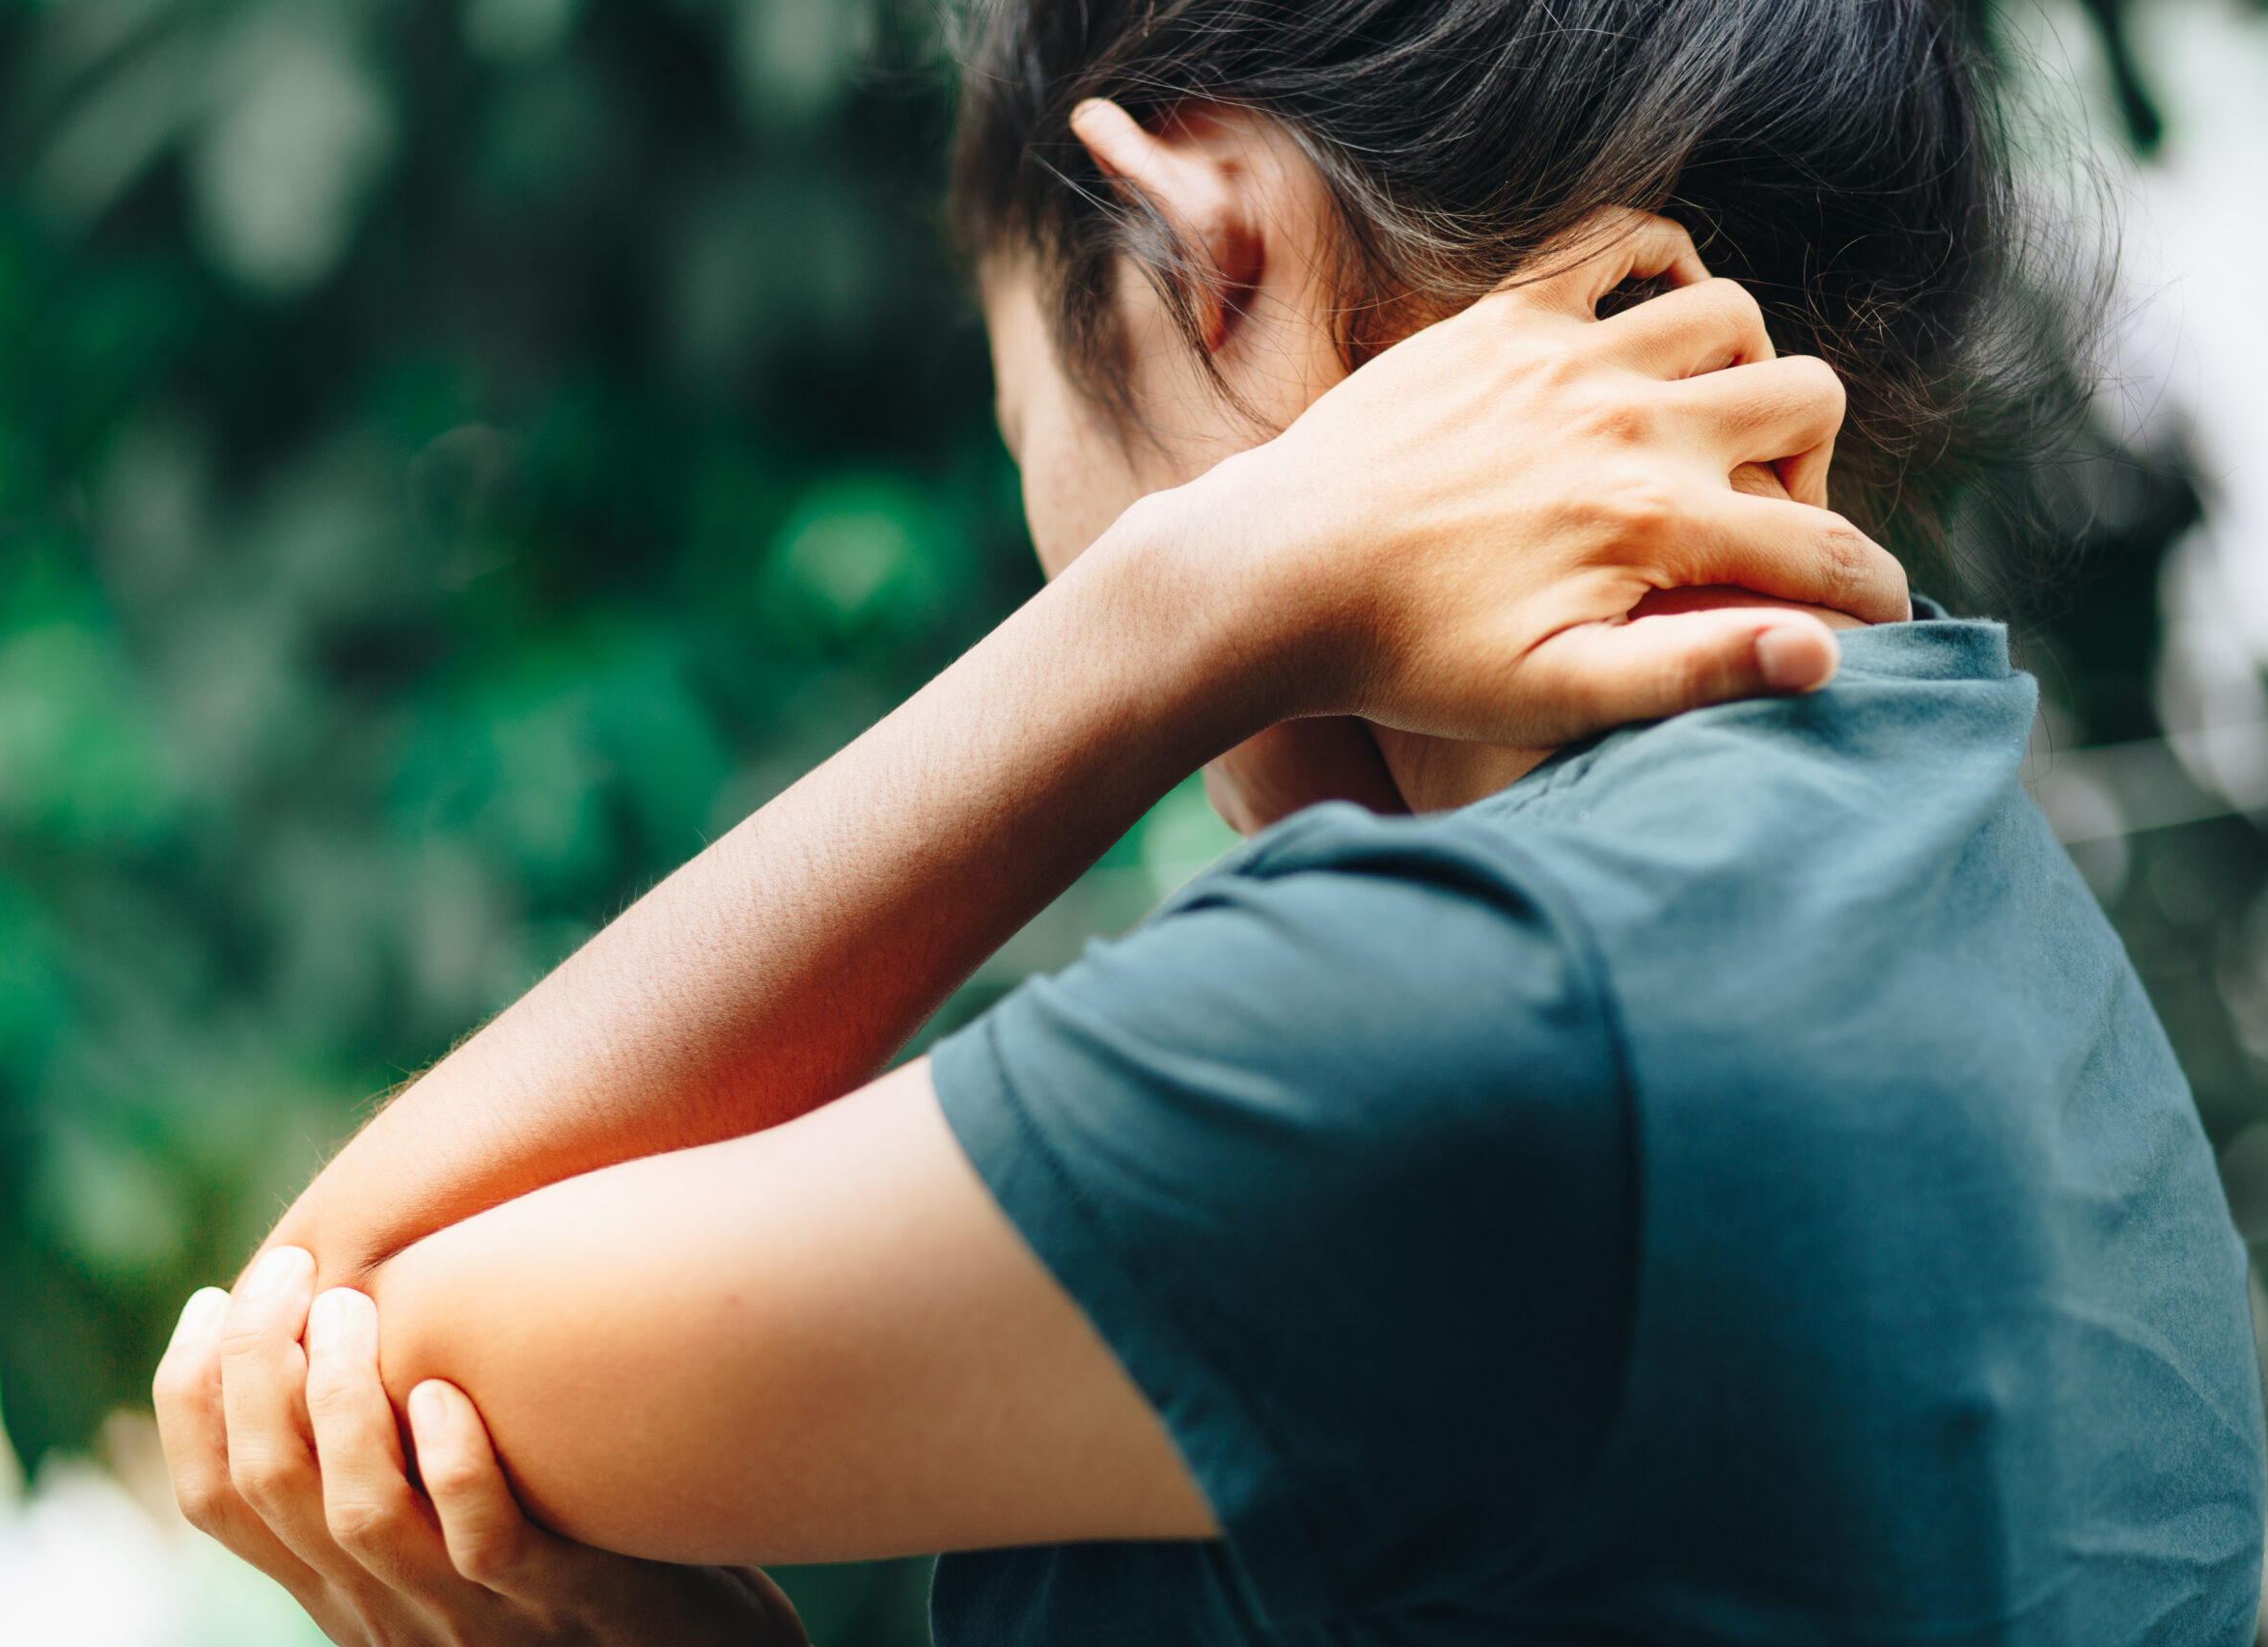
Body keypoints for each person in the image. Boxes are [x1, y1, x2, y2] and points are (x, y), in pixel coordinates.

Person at [154, 2, 2266, 1643]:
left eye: (1029, 439)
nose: (1057, 541)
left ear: (1197, 241)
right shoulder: (1948, 865)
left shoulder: (1479, 1000)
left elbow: (343, 1320)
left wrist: (1184, 607)